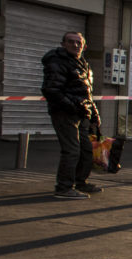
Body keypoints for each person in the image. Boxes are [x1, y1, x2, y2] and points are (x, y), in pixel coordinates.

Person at [41, 31, 101, 199]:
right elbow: (51, 90)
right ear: (63, 44)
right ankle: (64, 187)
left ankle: (79, 182)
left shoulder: (82, 63)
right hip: (65, 114)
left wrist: (94, 114)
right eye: (71, 42)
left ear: (84, 46)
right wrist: (73, 106)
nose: (75, 45)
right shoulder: (57, 62)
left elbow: (86, 93)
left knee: (85, 149)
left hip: (80, 113)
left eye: (78, 42)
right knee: (71, 150)